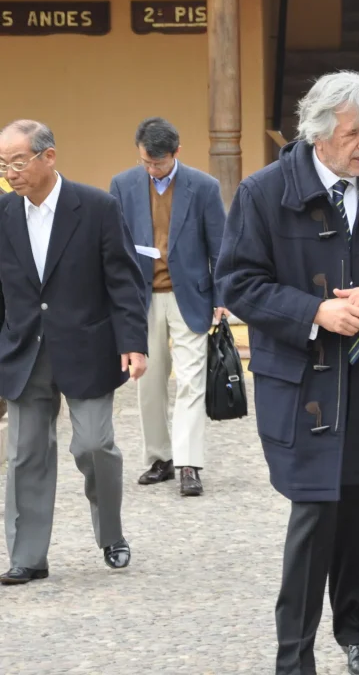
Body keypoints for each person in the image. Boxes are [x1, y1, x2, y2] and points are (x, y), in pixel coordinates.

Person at [214, 71, 359, 675]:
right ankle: (293, 655)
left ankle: (358, 634)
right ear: (318, 134)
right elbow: (238, 283)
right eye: (354, 133)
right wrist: (315, 311)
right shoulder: (264, 191)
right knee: (314, 517)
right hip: (305, 386)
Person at [0, 119, 148, 585]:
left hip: (87, 345)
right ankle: (27, 556)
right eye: (3, 164)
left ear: (49, 156)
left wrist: (133, 344)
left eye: (18, 161)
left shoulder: (98, 207)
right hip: (25, 350)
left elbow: (125, 282)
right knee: (24, 454)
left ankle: (111, 535)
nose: (11, 173)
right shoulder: (3, 214)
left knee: (94, 445)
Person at [110, 117, 227, 497]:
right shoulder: (123, 185)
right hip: (141, 297)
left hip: (190, 294)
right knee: (148, 381)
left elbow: (220, 248)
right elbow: (113, 245)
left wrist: (222, 299)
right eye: (146, 161)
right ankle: (159, 458)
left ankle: (188, 463)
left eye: (158, 162)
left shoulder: (204, 187)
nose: (151, 168)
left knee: (192, 381)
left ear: (176, 152)